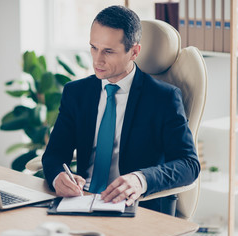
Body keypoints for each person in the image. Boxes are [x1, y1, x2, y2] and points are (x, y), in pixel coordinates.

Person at [42, 5, 200, 213]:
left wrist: (140, 179)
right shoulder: (76, 93)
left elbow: (189, 164)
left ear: (134, 51)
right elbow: (54, 154)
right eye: (93, 47)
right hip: (80, 201)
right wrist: (57, 176)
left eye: (108, 51)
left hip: (133, 207)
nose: (97, 60)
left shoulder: (163, 98)